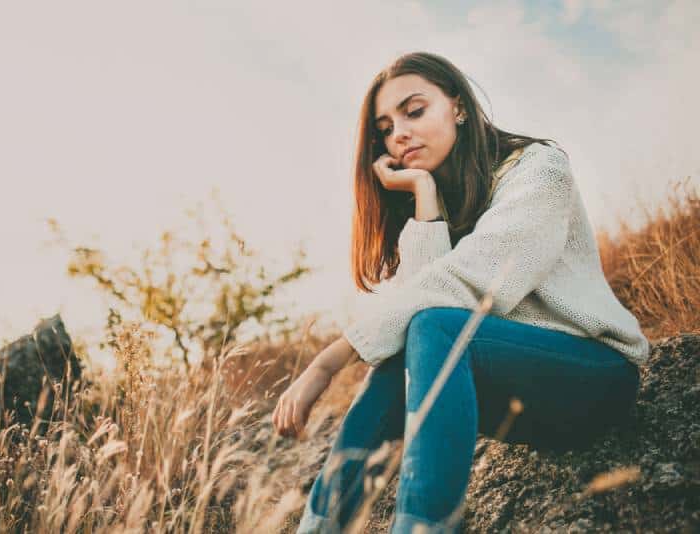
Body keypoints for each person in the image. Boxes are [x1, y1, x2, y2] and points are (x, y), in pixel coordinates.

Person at [271, 51, 650, 533]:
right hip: (521, 391)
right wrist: (424, 194)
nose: (399, 134)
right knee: (404, 351)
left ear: (459, 107)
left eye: (414, 111)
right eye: (386, 128)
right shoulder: (445, 198)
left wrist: (328, 361)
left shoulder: (539, 170)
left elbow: (474, 284)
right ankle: (319, 527)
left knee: (434, 324)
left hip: (596, 378)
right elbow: (418, 315)